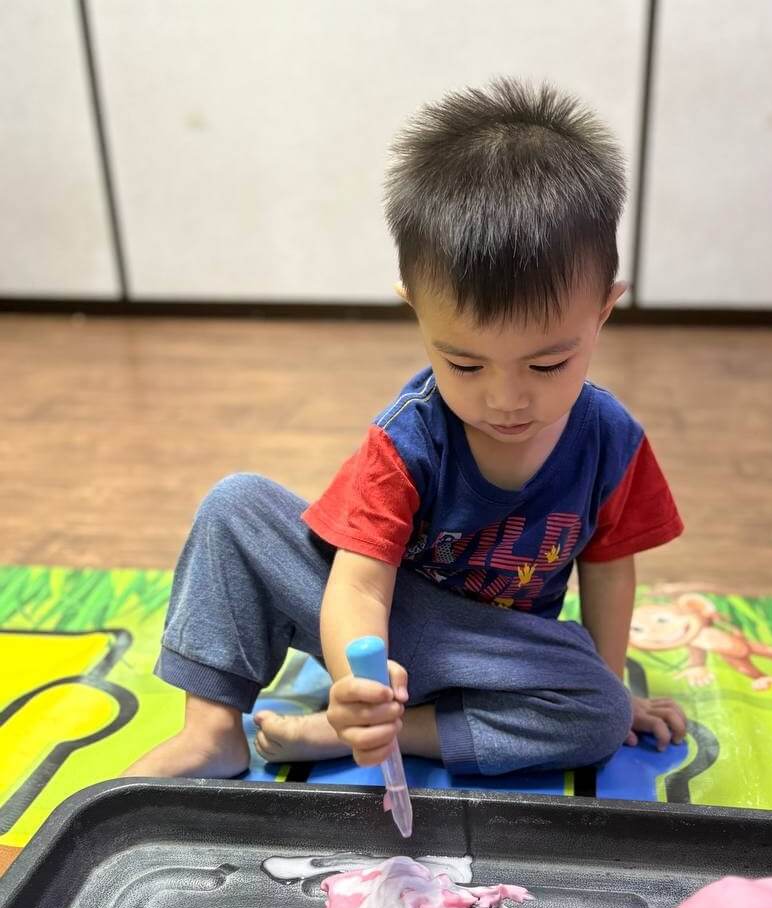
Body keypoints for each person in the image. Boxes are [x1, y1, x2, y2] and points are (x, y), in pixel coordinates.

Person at [126, 78, 687, 780]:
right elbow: (359, 587)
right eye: (465, 364)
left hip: (495, 656)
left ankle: (374, 735)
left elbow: (608, 570)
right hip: (381, 635)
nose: (506, 399)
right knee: (235, 505)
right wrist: (356, 683)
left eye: (547, 364)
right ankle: (213, 732)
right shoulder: (407, 439)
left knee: (600, 713)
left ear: (604, 310)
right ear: (415, 308)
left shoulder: (613, 442)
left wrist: (611, 687)